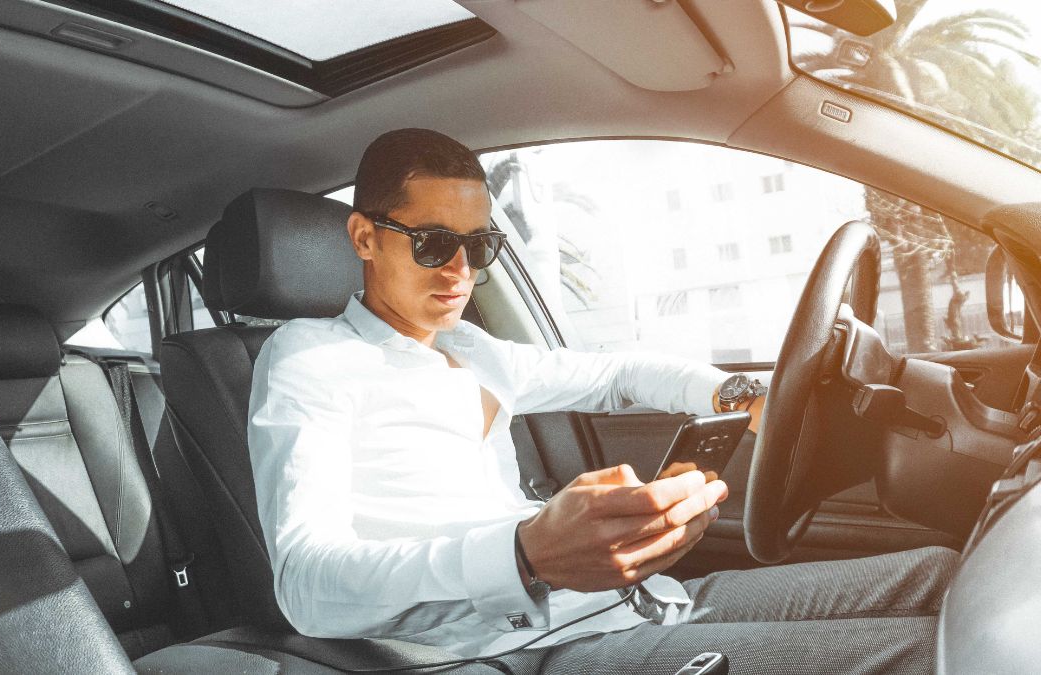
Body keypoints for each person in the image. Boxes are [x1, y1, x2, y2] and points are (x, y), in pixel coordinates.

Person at [247, 128, 957, 673]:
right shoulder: (307, 359)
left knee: (939, 573)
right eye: (434, 243)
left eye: (480, 244)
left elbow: (616, 374)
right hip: (521, 650)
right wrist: (525, 555)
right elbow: (306, 584)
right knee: (929, 653)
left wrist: (737, 393)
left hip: (635, 601)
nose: (463, 271)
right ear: (364, 237)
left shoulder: (476, 350)